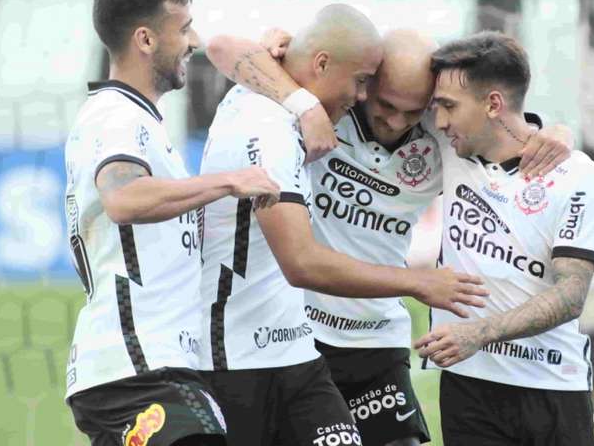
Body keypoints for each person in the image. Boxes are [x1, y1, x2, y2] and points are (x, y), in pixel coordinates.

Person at [205, 24, 573, 446]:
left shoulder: (442, 137)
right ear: (364, 83)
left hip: (375, 338)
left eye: (414, 111)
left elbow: (512, 133)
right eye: (386, 105)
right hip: (298, 334)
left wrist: (557, 134)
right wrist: (304, 105)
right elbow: (223, 44)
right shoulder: (327, 109)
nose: (396, 122)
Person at [64, 0, 282, 446]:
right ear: (145, 38)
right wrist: (228, 181)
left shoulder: (139, 120)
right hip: (137, 366)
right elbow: (123, 198)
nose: (194, 41)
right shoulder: (116, 116)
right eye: (183, 28)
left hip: (149, 365)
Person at [415, 31, 594, 445]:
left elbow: (571, 295)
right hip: (469, 387)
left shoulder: (577, 175)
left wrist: (479, 333)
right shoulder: (453, 149)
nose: (440, 122)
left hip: (553, 388)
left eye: (449, 107)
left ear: (493, 104)